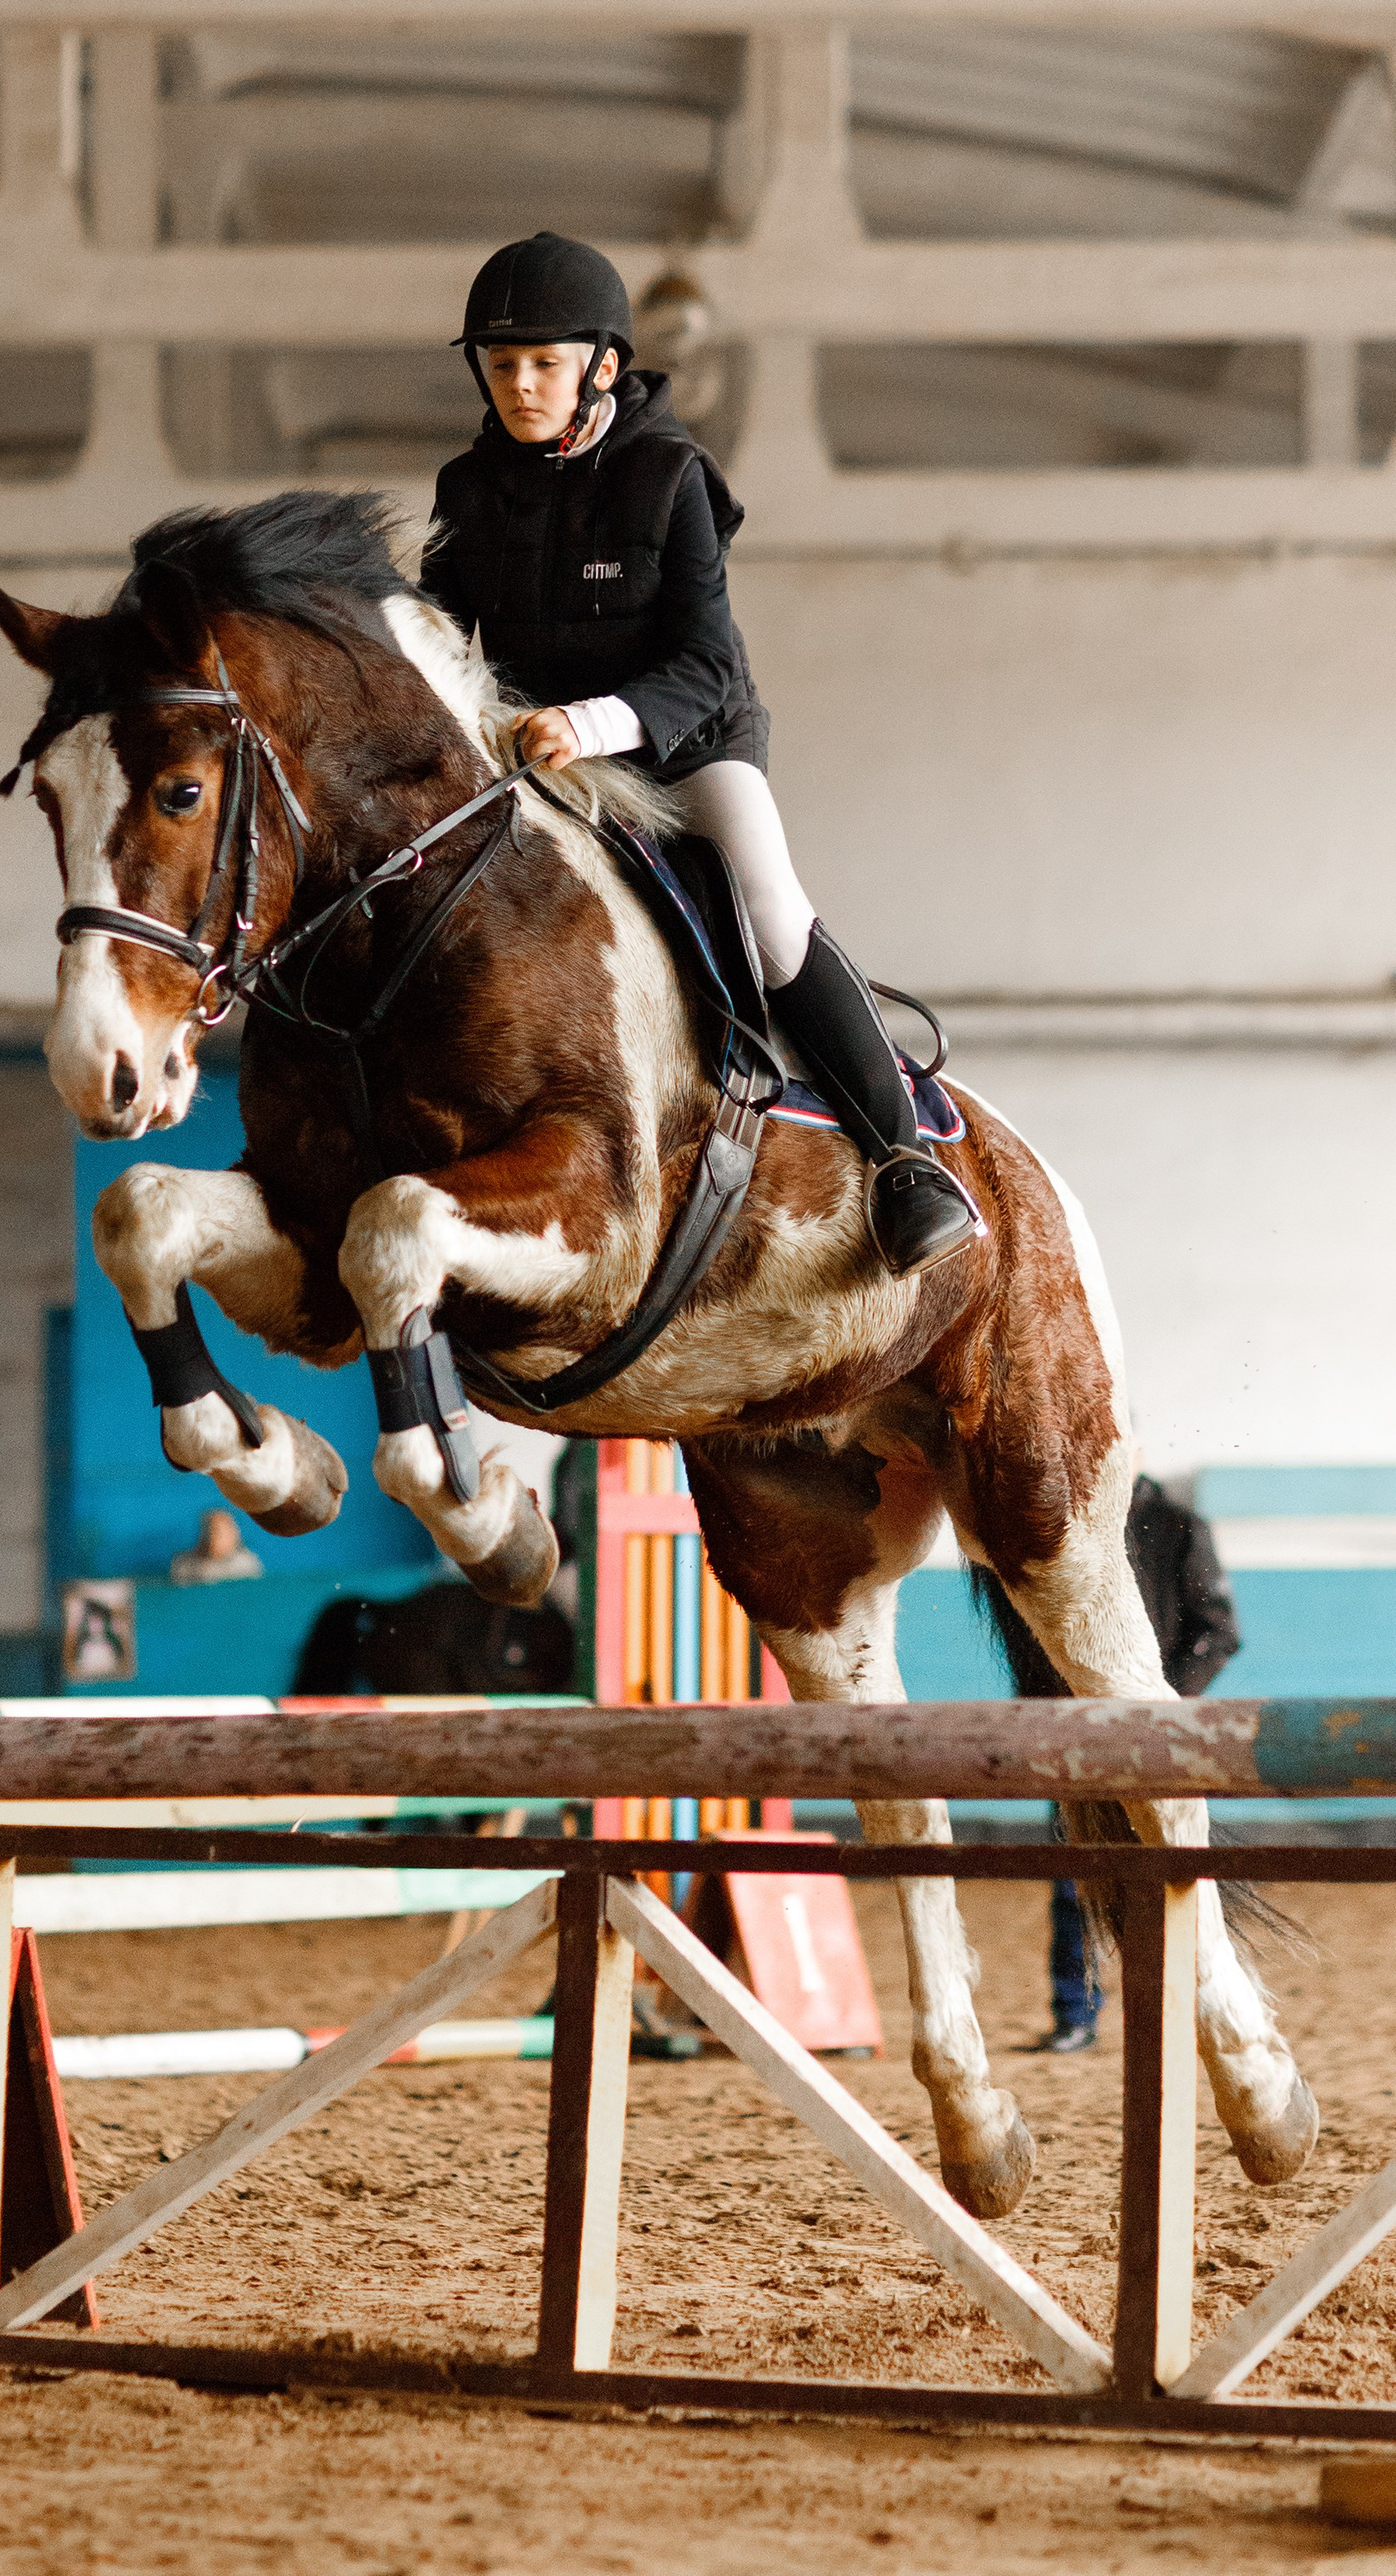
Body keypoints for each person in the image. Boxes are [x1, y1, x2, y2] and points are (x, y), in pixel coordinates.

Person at [419, 230, 985, 1276]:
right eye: (500, 365)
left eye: (543, 363)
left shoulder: (670, 477)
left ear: (601, 366)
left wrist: (591, 724)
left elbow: (708, 661)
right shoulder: (466, 490)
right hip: (539, 759)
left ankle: (904, 1162)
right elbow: (444, 641)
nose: (520, 385)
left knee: (767, 915)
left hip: (684, 745)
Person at [1035, 1471, 1241, 2051]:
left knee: (1173, 1874)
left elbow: (1218, 1631)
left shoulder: (1177, 1526)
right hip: (1078, 1734)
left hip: (1152, 1735)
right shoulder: (1063, 1523)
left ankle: (1182, 2010)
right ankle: (1075, 2013)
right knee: (1075, 1881)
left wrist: (1160, 1706)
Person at [168, 1508, 264, 1587]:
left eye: (222, 1533)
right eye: (211, 1531)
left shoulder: (246, 1564)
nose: (215, 1537)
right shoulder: (185, 1566)